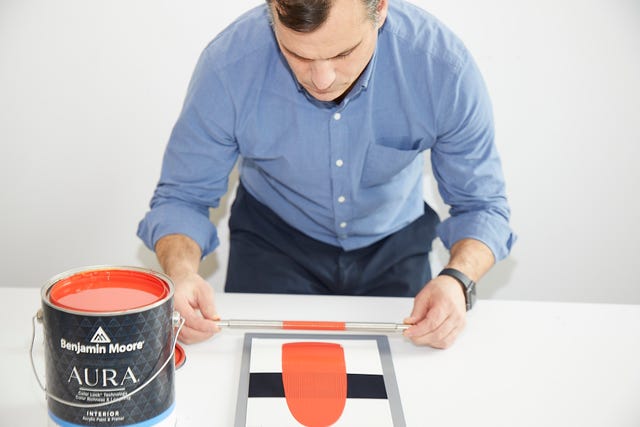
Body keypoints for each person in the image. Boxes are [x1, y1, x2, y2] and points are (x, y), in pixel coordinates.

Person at [138, 0, 516, 349]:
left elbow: (482, 206)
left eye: (343, 52)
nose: (322, 79)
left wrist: (458, 280)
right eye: (297, 54)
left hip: (395, 245)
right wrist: (182, 273)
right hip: (273, 243)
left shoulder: (442, 68)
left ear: (380, 8)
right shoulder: (228, 66)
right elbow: (182, 198)